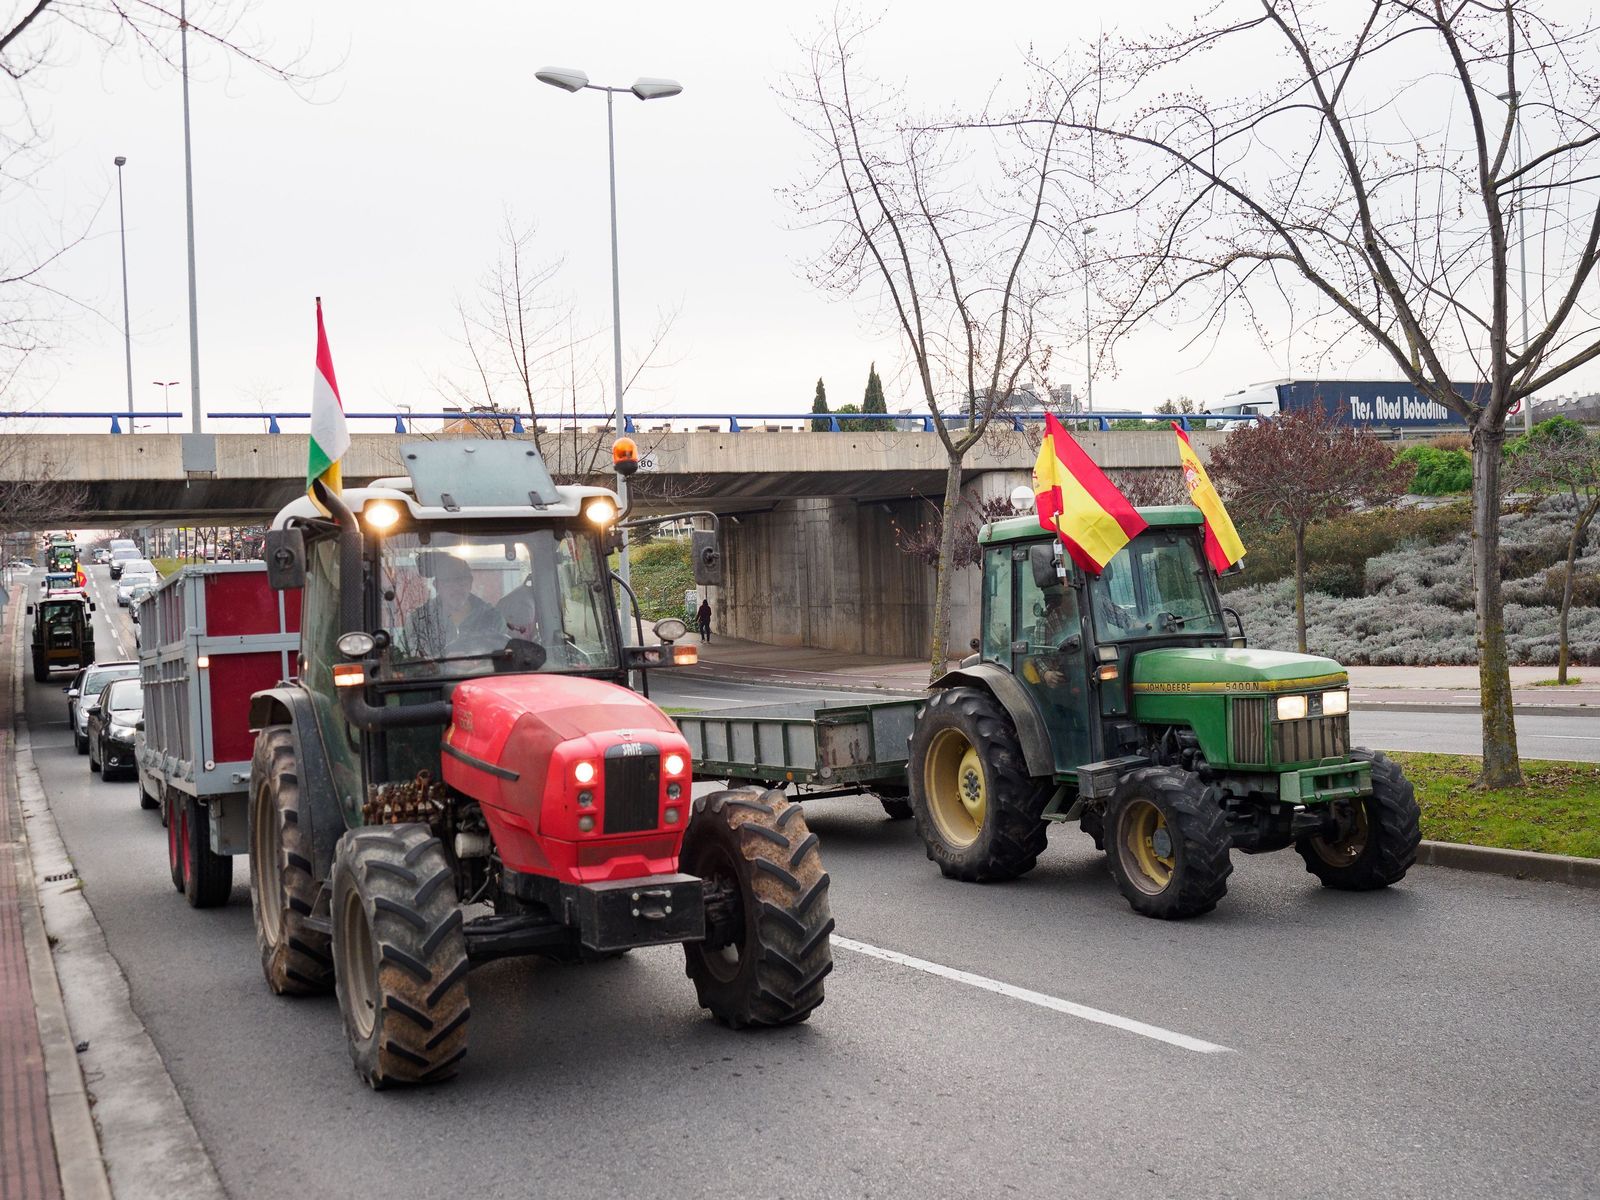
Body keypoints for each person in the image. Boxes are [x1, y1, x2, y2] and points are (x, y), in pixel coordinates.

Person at [403, 554, 507, 659]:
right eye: (448, 582)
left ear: (470, 583)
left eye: (462, 581)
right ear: (436, 585)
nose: (456, 588)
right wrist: (443, 660)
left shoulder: (492, 618)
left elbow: (502, 657)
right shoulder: (418, 622)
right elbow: (411, 661)